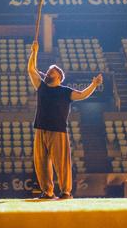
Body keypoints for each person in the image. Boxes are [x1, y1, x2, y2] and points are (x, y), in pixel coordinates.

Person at [27, 40, 102, 200]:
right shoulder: (41, 86)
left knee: (61, 163)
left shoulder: (65, 91)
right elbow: (31, 69)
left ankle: (66, 192)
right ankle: (47, 192)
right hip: (41, 128)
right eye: (48, 71)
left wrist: (94, 85)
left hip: (57, 130)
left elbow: (82, 94)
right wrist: (34, 52)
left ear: (59, 76)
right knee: (41, 163)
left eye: (51, 71)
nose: (48, 72)